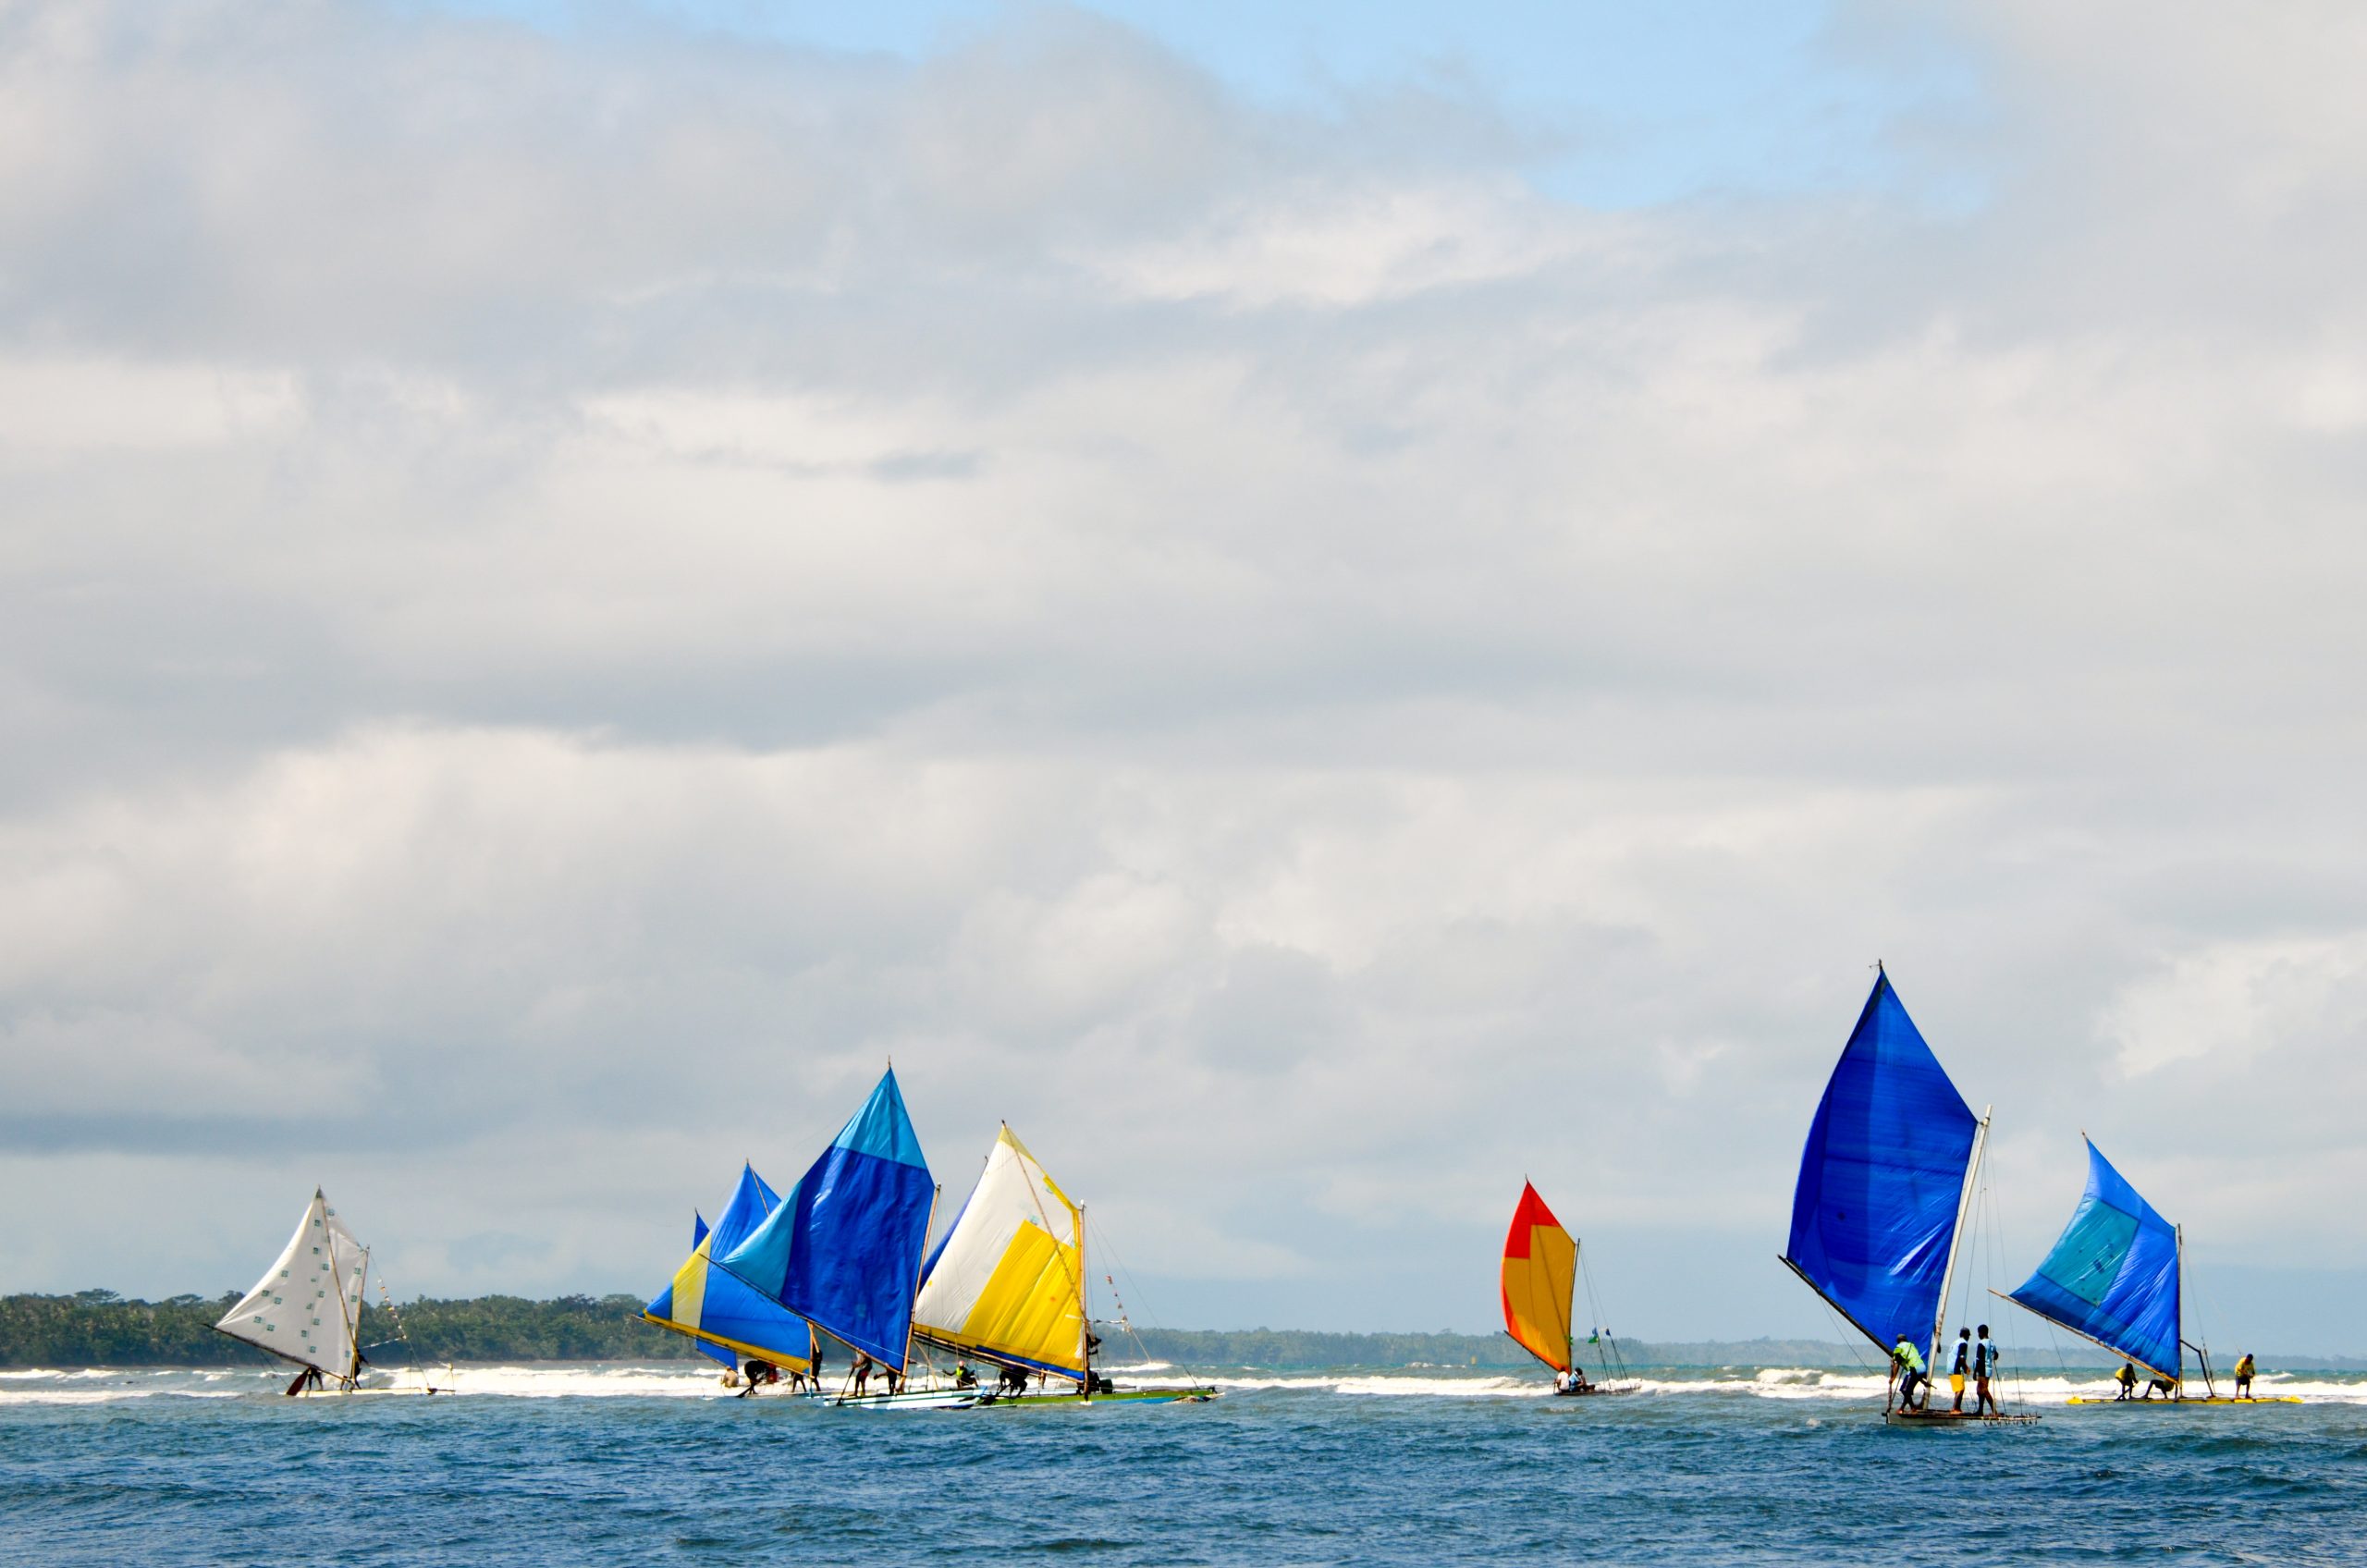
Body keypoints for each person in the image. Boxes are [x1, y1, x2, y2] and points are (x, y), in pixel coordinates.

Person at [1889, 1334, 1928, 1412]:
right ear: (1905, 1340)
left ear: (1898, 1341)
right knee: (1907, 1391)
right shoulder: (1912, 1346)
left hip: (1914, 1369)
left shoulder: (1898, 1348)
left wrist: (1893, 1378)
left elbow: (1896, 1364)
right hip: (1922, 1368)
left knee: (1904, 1390)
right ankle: (1904, 1408)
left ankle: (1912, 1408)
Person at [1973, 1325, 2000, 1416]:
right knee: (1980, 1390)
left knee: (1983, 1390)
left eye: (1978, 1333)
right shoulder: (1991, 1342)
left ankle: (1994, 1411)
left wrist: (1975, 1372)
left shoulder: (1981, 1343)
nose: (1978, 1335)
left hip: (1982, 1369)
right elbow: (1996, 1355)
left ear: (1981, 1333)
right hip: (1988, 1369)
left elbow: (1979, 1359)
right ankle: (1980, 1410)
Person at [1950, 1327, 1972, 1413]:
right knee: (1960, 1389)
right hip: (1956, 1368)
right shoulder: (1963, 1343)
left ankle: (1956, 1408)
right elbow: (1961, 1356)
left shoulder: (1955, 1342)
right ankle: (1955, 1408)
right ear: (1966, 1335)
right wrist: (1966, 1367)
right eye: (1968, 1336)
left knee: (1957, 1389)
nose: (1969, 1338)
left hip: (1951, 1367)